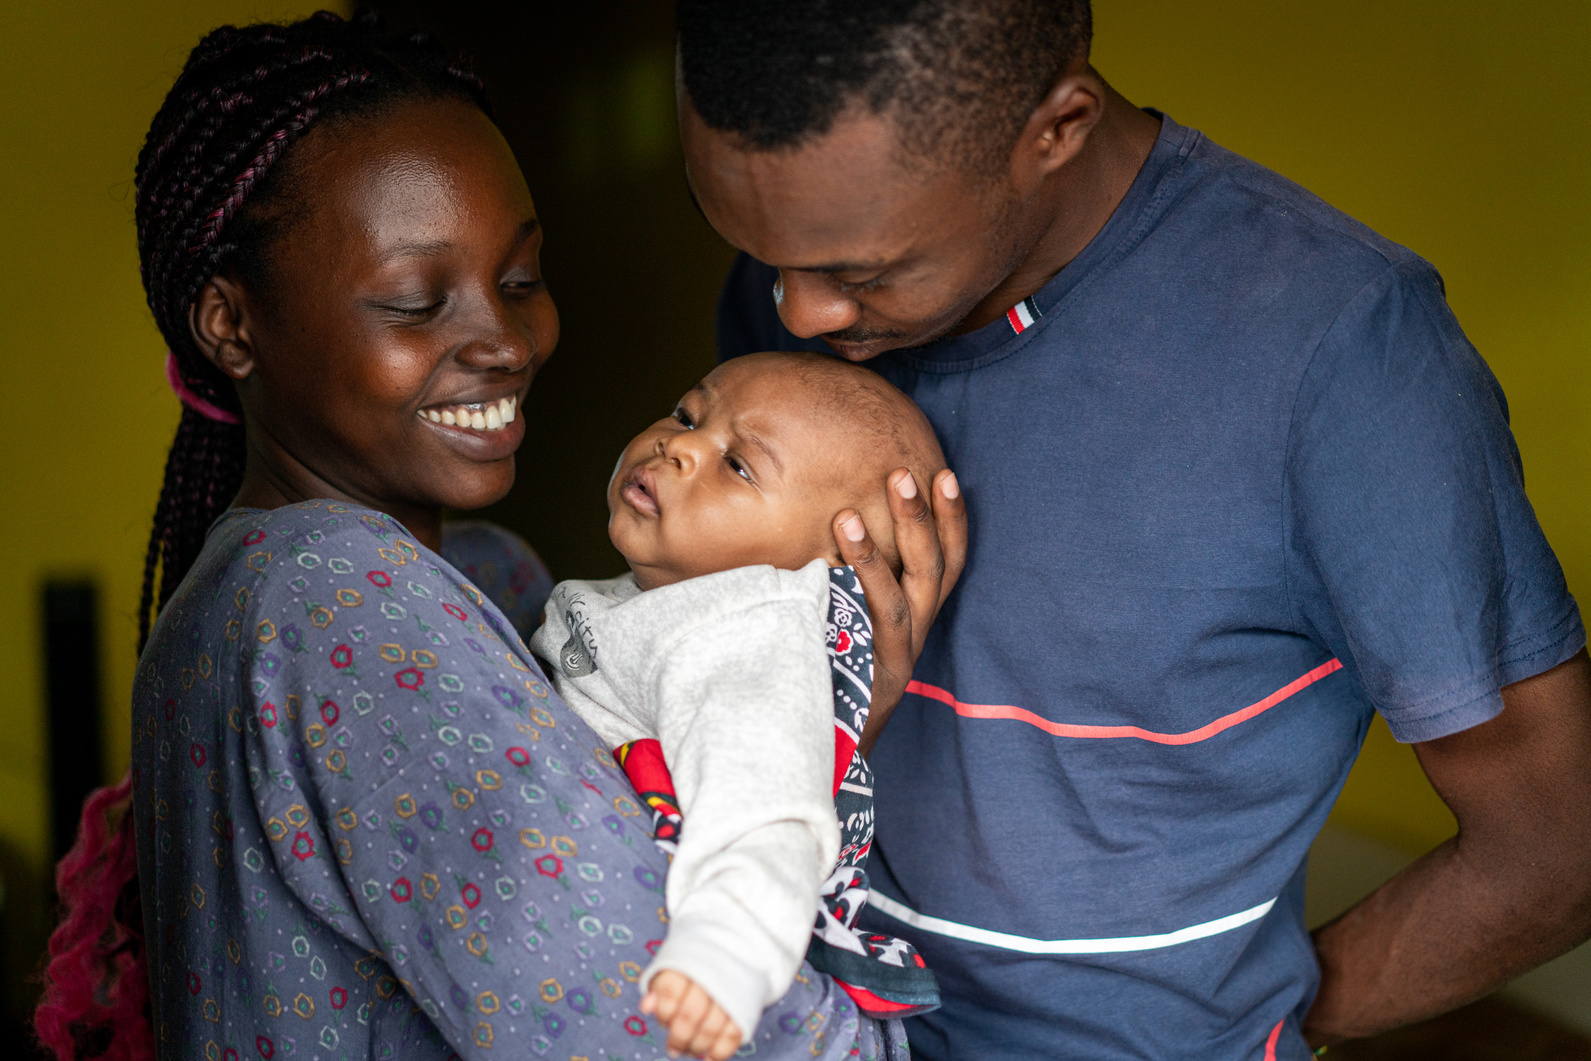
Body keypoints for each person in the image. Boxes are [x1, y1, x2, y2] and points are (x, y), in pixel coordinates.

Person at [34, 13, 965, 1061]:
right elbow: (647, 1033)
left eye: (520, 279)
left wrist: (794, 731)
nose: (505, 339)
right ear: (230, 324)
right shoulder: (346, 599)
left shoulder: (361, 581)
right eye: (417, 300)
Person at [676, 1, 1591, 1059]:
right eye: (757, 251)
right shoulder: (806, 268)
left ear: (1056, 127)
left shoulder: (1341, 358)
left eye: (864, 270)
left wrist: (1258, 1017)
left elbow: (1556, 843)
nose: (794, 315)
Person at [531, 353, 948, 1055]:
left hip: (713, 971)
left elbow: (767, 808)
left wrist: (724, 952)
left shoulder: (748, 630)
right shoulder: (674, 602)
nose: (680, 445)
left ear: (821, 568)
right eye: (688, 414)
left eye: (739, 465)